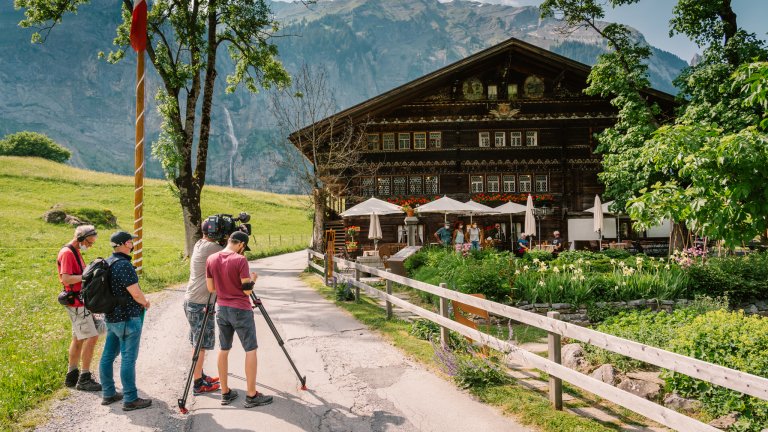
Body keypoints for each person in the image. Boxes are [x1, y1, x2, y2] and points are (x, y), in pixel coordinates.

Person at [206, 231, 273, 408]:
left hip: (221, 308)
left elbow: (211, 288)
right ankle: (251, 395)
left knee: (224, 349)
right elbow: (247, 290)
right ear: (241, 244)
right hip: (240, 309)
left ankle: (225, 392)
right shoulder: (240, 260)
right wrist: (253, 279)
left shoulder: (211, 259)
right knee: (250, 350)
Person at [99, 231, 152, 411]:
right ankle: (130, 398)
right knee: (128, 359)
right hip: (127, 318)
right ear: (123, 244)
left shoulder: (108, 262)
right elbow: (135, 293)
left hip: (111, 317)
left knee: (107, 356)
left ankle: (108, 393)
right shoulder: (124, 265)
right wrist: (145, 302)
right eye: (130, 241)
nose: (132, 244)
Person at [57, 225, 103, 391]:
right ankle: (84, 378)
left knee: (78, 338)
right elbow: (66, 279)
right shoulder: (68, 253)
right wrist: (87, 276)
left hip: (80, 301)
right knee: (92, 336)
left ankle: (72, 375)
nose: (90, 246)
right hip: (76, 303)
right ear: (81, 239)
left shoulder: (75, 252)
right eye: (89, 242)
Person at [183, 220, 223, 396]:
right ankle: (198, 384)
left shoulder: (201, 243)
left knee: (197, 342)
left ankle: (200, 374)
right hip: (200, 304)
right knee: (200, 345)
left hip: (193, 301)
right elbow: (232, 255)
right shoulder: (212, 248)